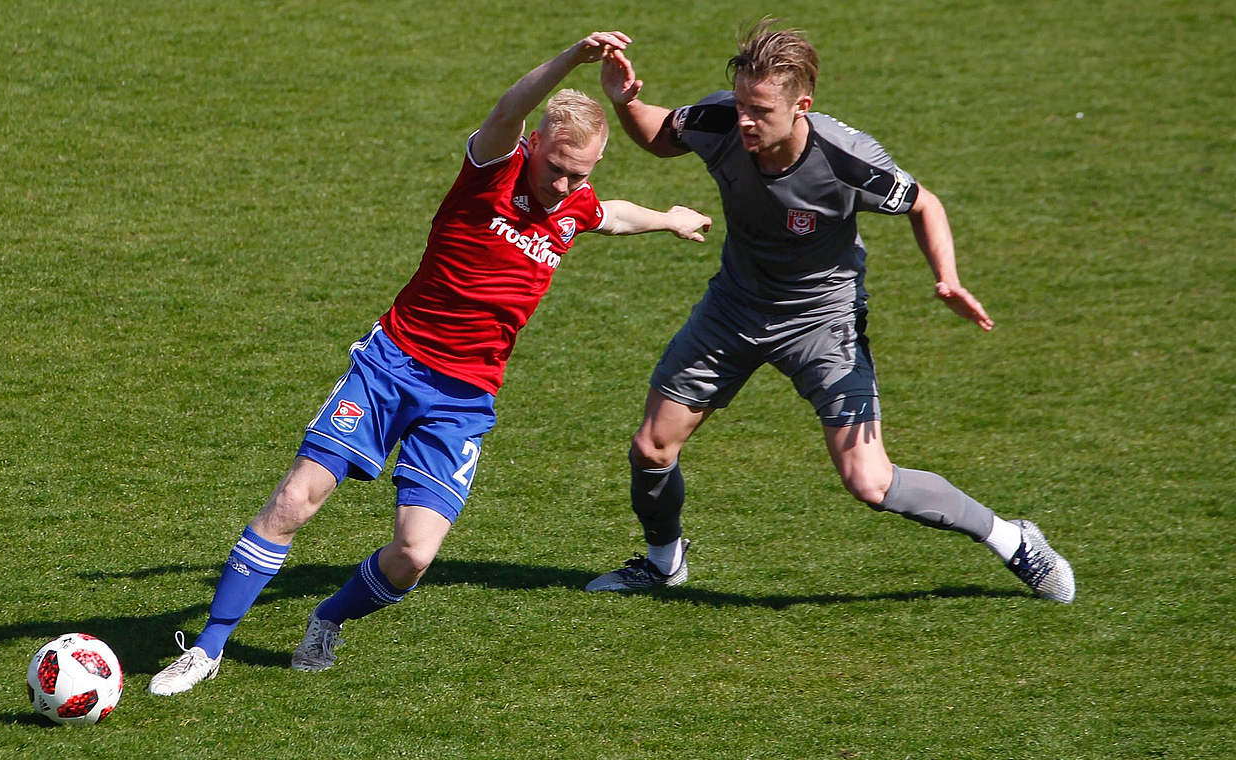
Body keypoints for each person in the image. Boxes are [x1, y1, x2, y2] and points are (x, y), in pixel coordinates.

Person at [148, 31, 713, 696]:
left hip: (464, 398)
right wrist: (569, 60)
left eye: (579, 173)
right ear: (533, 145)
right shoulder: (492, 170)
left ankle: (327, 618)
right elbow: (508, 108)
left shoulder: (573, 206)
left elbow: (608, 214)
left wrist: (668, 216)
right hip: (390, 366)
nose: (564, 184)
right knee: (296, 500)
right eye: (556, 166)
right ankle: (209, 647)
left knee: (414, 555)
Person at [584, 19, 1075, 603]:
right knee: (652, 449)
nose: (744, 120)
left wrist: (947, 278)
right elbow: (662, 134)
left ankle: (1013, 540)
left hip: (823, 323)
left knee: (869, 480)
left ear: (801, 107)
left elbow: (925, 203)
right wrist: (622, 102)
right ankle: (664, 563)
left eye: (760, 110)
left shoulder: (847, 160)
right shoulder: (722, 121)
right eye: (741, 104)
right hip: (735, 309)